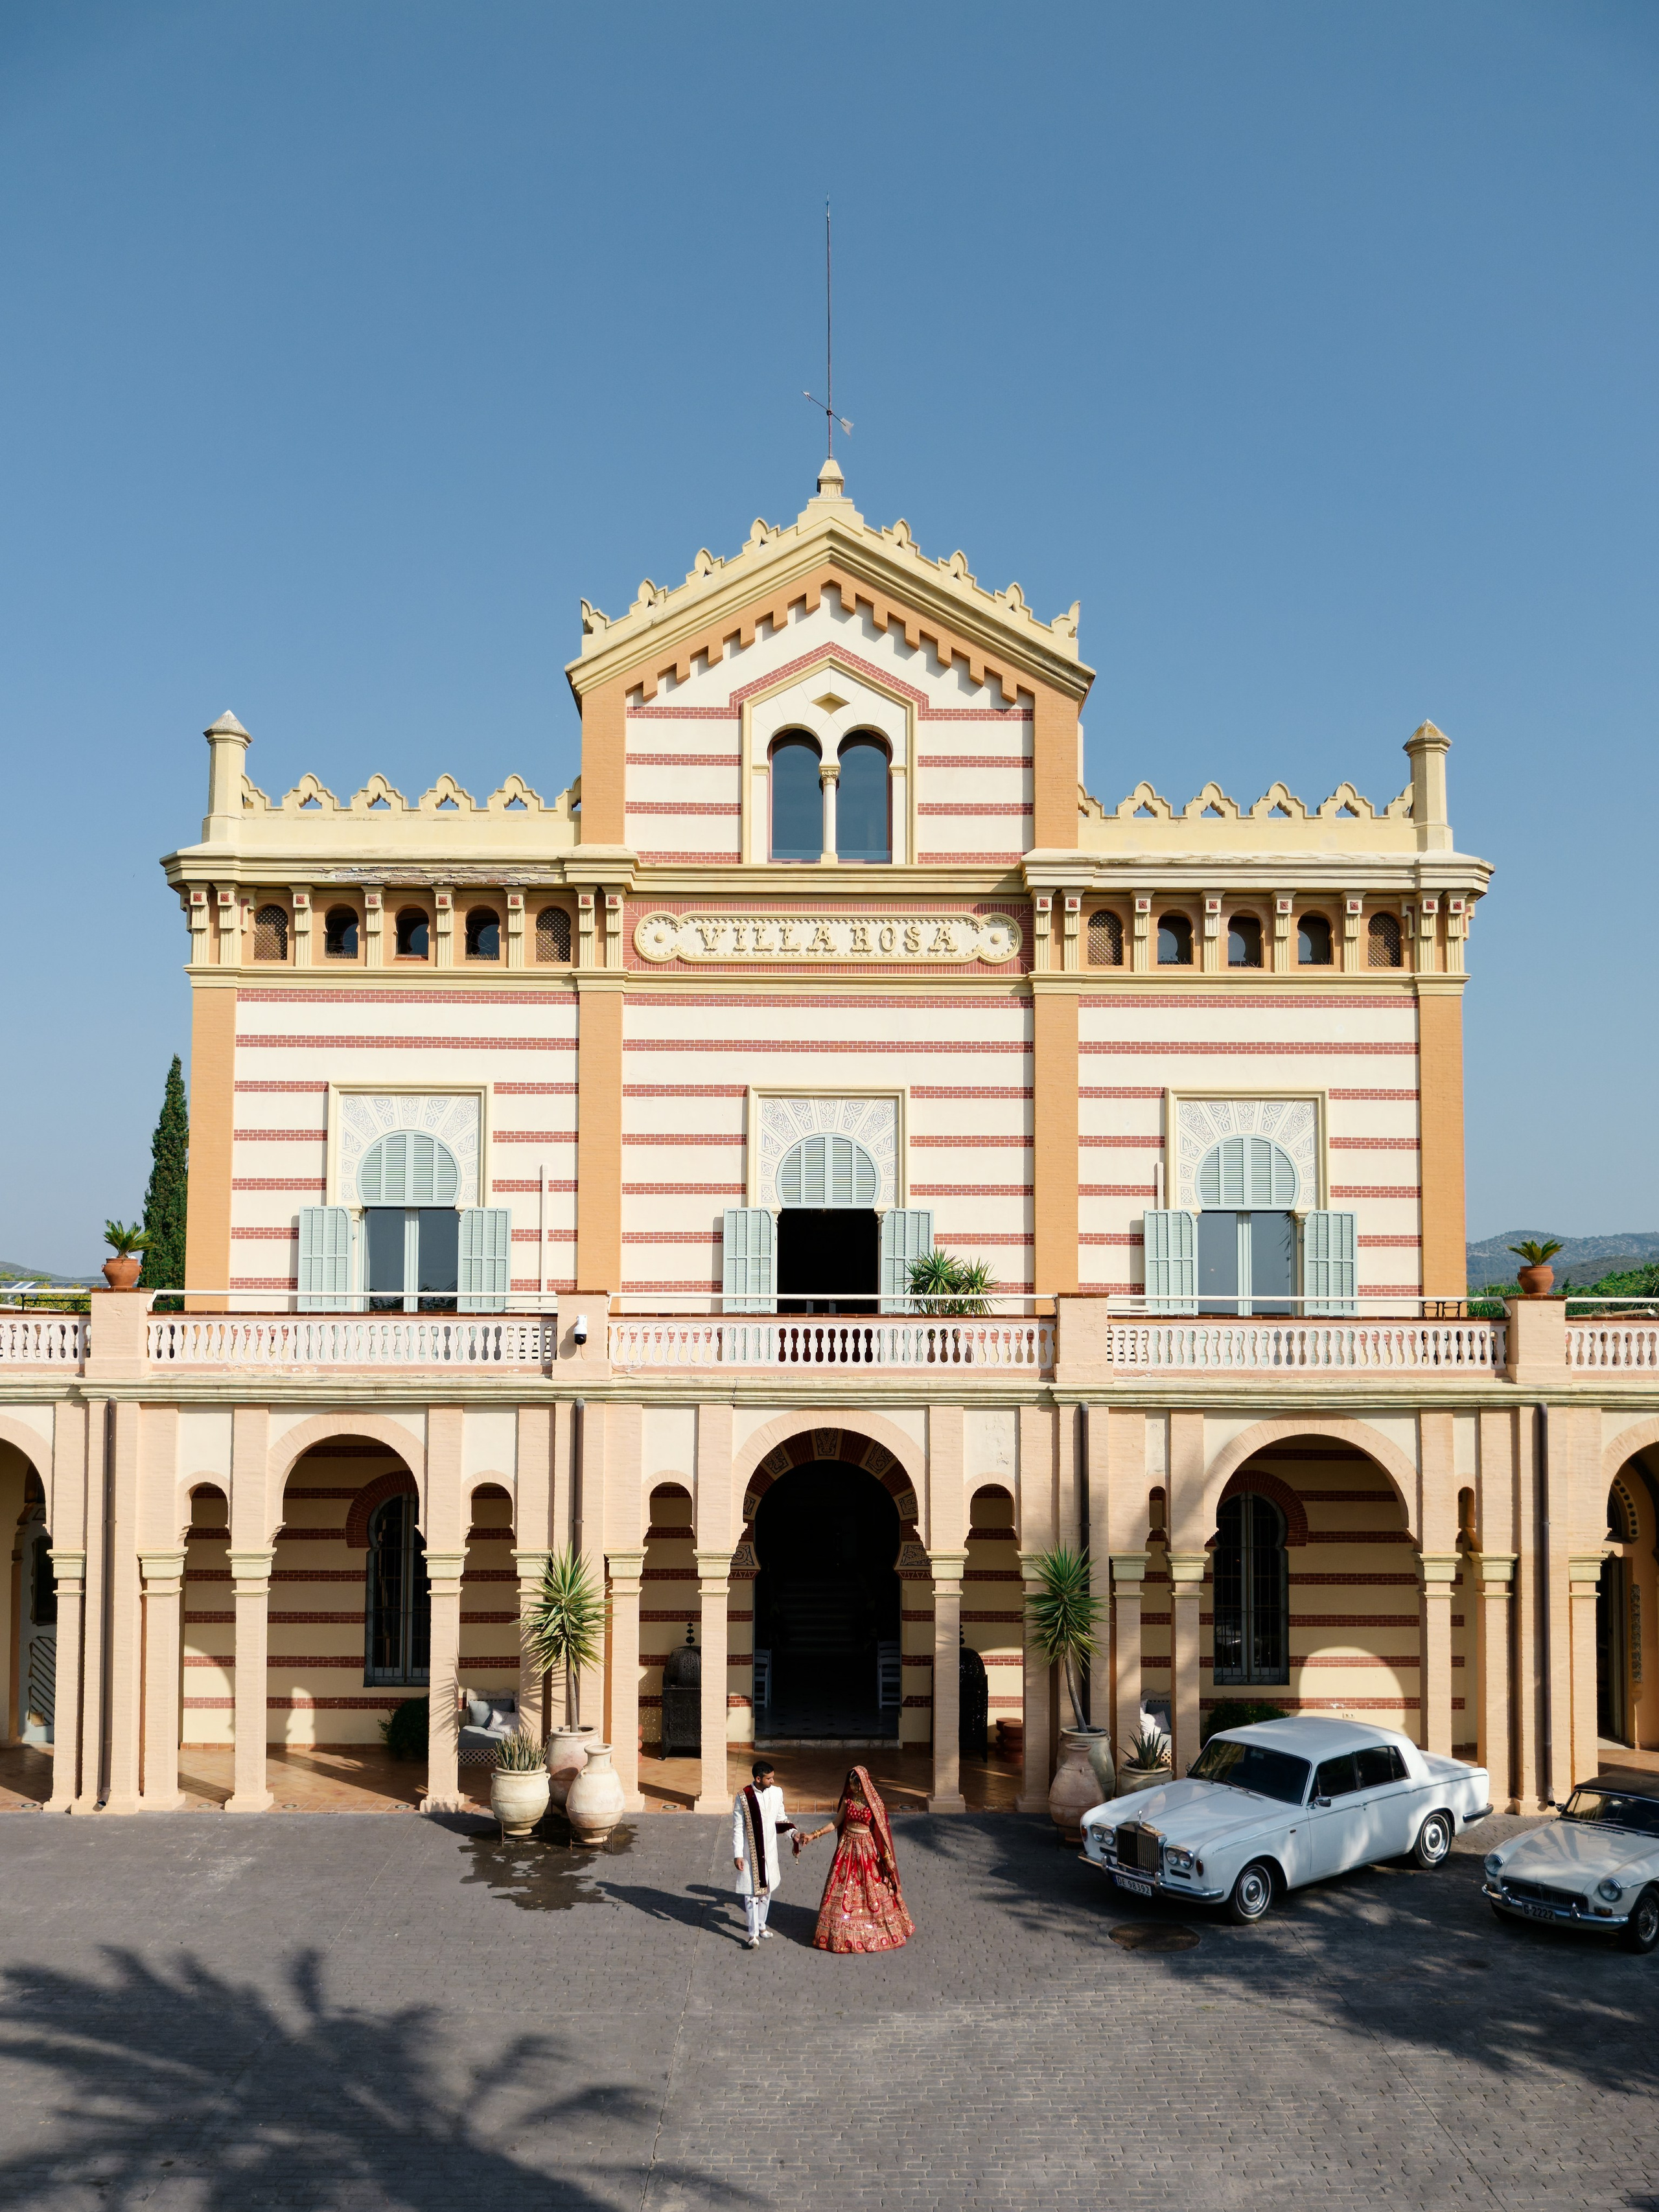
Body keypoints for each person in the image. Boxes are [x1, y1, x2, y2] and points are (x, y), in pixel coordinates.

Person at [794, 1764, 914, 1953]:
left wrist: (887, 1857)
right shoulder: (847, 1801)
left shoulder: (874, 1804)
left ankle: (874, 1928)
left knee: (872, 1889)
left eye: (856, 1785)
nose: (853, 1788)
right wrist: (813, 1835)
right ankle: (839, 1929)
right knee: (843, 1887)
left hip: (867, 1850)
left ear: (864, 1783)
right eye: (851, 1785)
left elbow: (881, 1833)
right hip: (847, 1849)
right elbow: (836, 1823)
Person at [732, 1759, 799, 1949]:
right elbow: (738, 1827)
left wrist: (794, 1833)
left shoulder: (777, 1792)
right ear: (758, 1778)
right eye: (769, 1778)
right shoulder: (743, 1797)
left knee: (767, 1891)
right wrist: (737, 1854)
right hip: (750, 1853)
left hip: (769, 1851)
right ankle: (752, 1934)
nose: (773, 1781)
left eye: (773, 1777)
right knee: (751, 1894)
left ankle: (762, 1926)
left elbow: (780, 1820)